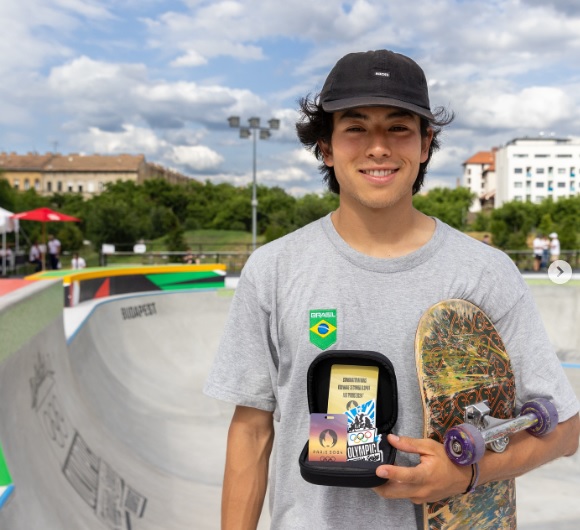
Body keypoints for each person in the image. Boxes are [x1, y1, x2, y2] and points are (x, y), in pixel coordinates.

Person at [204, 50, 579, 529]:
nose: (378, 147)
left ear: (426, 144)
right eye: (356, 127)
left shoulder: (486, 273)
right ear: (326, 146)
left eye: (399, 128)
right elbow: (253, 432)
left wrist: (467, 475)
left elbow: (566, 429)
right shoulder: (274, 270)